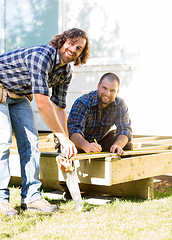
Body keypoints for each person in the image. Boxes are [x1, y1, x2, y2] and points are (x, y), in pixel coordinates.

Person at [0, 28, 90, 216]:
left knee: (31, 143)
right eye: (71, 43)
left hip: (19, 95)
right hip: (1, 88)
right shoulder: (42, 56)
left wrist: (63, 142)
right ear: (62, 41)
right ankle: (1, 199)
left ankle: (31, 198)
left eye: (79, 48)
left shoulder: (65, 72)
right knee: (3, 142)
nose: (73, 49)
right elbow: (42, 103)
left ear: (80, 55)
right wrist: (63, 138)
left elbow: (58, 107)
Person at [68, 72, 133, 156]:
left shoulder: (120, 104)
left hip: (99, 142)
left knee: (127, 145)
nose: (107, 93)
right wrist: (86, 146)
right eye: (104, 88)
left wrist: (117, 145)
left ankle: (117, 169)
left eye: (112, 90)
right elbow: (73, 132)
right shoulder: (83, 103)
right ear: (98, 86)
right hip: (79, 144)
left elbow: (125, 130)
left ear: (117, 92)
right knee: (72, 149)